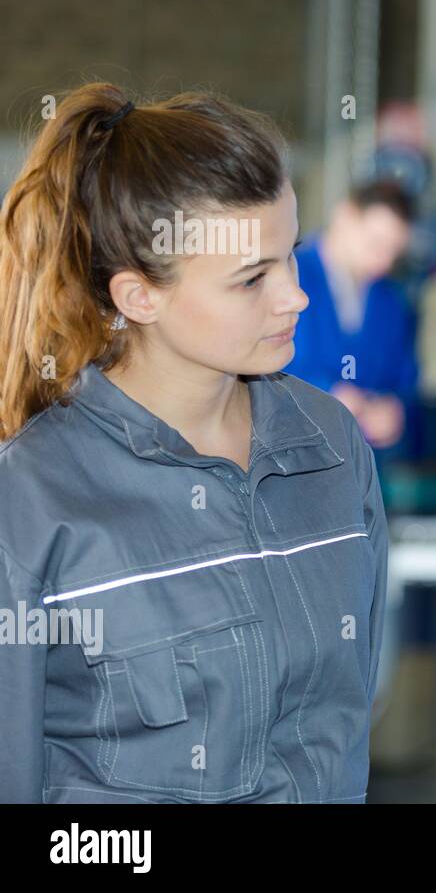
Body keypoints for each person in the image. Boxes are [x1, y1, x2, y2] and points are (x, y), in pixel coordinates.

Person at [0, 84, 388, 803]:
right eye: (251, 279)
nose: (295, 297)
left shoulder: (332, 450)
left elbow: (350, 722)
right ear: (139, 297)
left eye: (291, 256)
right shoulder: (28, 505)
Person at [285, 181, 419, 455]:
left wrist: (393, 410)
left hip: (357, 463)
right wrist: (325, 396)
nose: (384, 261)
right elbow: (255, 370)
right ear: (344, 216)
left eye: (394, 251)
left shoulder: (389, 301)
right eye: (376, 243)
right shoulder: (288, 275)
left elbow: (403, 377)